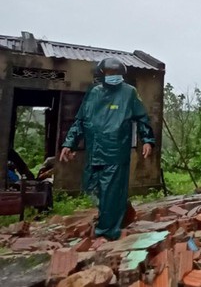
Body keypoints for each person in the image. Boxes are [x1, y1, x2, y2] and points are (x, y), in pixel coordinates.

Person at [59, 57, 155, 240]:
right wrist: (69, 143)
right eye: (110, 74)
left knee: (111, 190)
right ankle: (117, 213)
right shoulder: (94, 93)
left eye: (116, 74)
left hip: (116, 151)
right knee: (92, 187)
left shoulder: (129, 93)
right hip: (94, 150)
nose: (113, 77)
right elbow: (80, 121)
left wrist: (147, 140)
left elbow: (142, 119)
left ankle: (107, 232)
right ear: (102, 74)